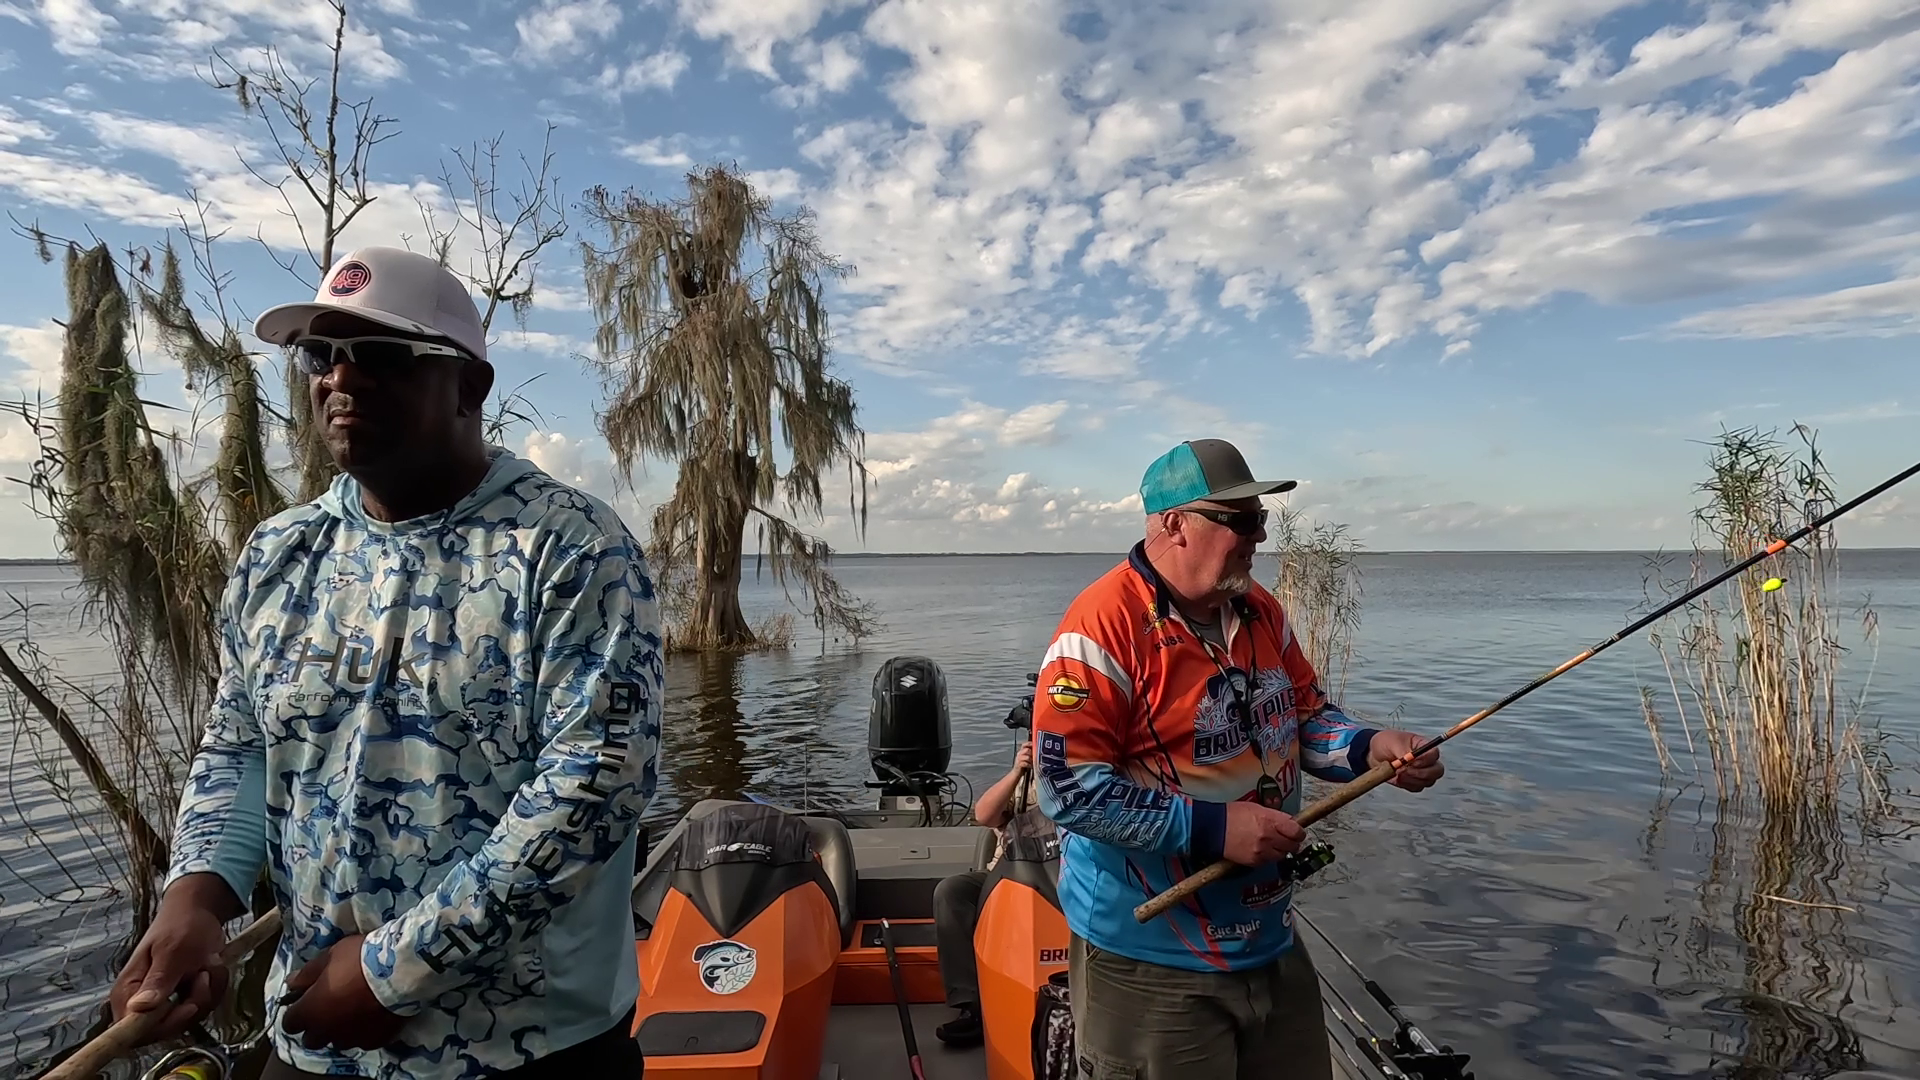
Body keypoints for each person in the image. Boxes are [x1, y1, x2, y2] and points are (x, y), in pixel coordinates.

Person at [107, 246, 663, 1079]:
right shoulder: (277, 556)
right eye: (320, 356)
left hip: (523, 1049)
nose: (341, 378)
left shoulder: (573, 550)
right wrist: (195, 897)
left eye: (380, 356)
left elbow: (591, 793)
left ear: (471, 386)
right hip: (316, 1039)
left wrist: (392, 972)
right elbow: (239, 747)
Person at [1030, 438, 1445, 1080]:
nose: (1257, 537)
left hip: (1270, 941)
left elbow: (1305, 719)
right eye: (1240, 521)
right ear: (1175, 525)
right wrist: (1217, 828)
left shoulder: (1260, 612)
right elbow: (1067, 790)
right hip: (1150, 962)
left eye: (1261, 520)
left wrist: (1370, 748)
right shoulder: (1100, 628)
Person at [930, 740, 1037, 1048]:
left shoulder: (1086, 781)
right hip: (1004, 874)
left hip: (1060, 879)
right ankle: (971, 1006)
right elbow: (985, 815)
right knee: (951, 891)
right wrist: (1018, 770)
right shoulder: (1026, 782)